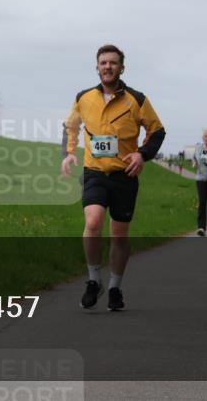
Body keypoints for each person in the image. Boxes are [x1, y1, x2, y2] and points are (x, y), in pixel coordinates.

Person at [61, 44, 166, 312]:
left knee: (119, 235)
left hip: (124, 175)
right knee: (93, 221)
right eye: (103, 63)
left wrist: (142, 155)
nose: (107, 67)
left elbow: (157, 131)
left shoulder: (136, 99)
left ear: (122, 67)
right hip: (94, 171)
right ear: (97, 68)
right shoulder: (84, 98)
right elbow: (71, 127)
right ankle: (94, 280)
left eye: (113, 63)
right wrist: (69, 153)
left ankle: (115, 287)